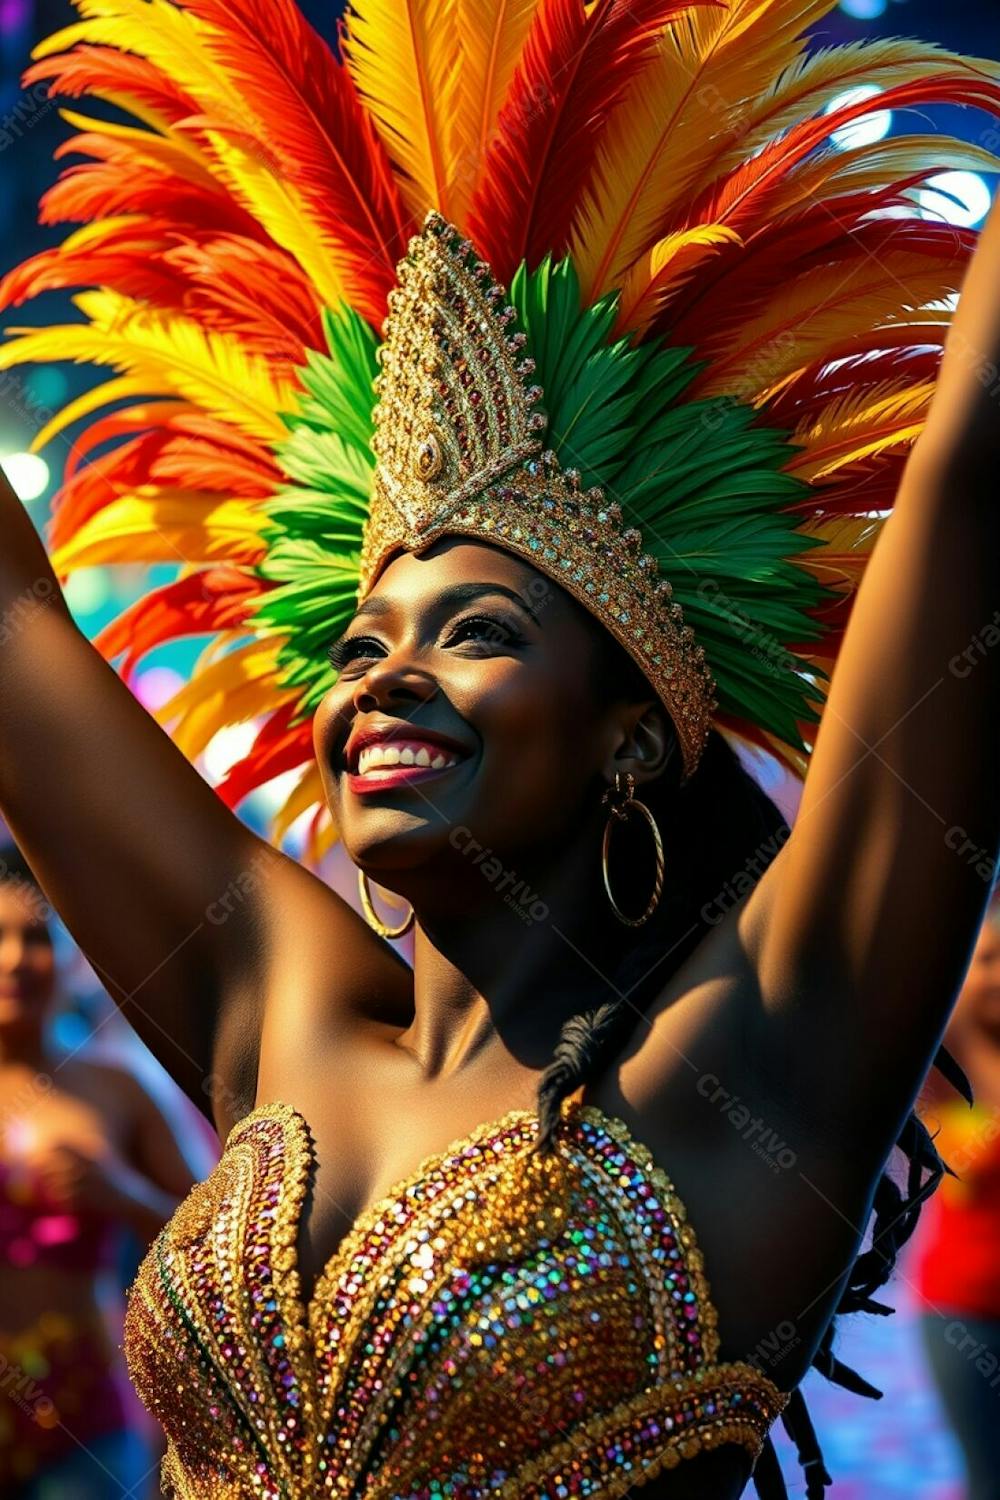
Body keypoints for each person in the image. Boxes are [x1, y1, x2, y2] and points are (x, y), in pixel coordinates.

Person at [1, 1, 999, 1495]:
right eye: (361, 647)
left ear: (630, 740)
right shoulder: (284, 1013)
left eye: (474, 632)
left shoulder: (765, 1058)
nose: (384, 683)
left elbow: (972, 479)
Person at [0, 844, 197, 1498]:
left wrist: (126, 1195)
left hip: (83, 1431)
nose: (15, 959)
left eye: (36, 936)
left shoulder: (117, 1089)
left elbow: (219, 1244)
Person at [915, 892, 1000, 1500]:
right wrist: (971, 1038)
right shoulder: (943, 1075)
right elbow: (964, 1170)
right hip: (967, 1316)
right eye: (990, 960)